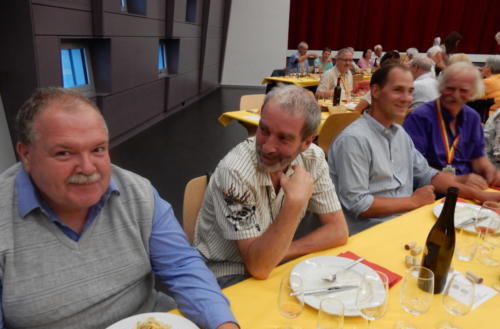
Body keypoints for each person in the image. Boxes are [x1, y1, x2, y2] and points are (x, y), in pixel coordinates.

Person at [0, 88, 256, 329]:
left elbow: (182, 266)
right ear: (26, 154)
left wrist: (225, 326)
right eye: (64, 153)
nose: (88, 168)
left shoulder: (137, 193)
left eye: (98, 149)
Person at [194, 85, 348, 287]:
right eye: (263, 130)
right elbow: (257, 267)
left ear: (307, 142)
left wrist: (281, 251)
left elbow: (338, 231)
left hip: (277, 263)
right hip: (228, 273)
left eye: (283, 138)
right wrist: (294, 203)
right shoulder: (235, 171)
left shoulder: (313, 158)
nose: (267, 147)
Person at [328, 64, 500, 234]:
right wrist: (414, 201)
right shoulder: (354, 140)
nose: (407, 98)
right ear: (375, 91)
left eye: (410, 91)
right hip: (371, 233)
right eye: (398, 90)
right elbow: (359, 204)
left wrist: (480, 195)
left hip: (406, 220)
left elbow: (428, 175)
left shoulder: (399, 134)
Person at [404, 62, 500, 188]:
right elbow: (414, 167)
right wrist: (458, 180)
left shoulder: (472, 118)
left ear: (472, 93)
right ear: (440, 87)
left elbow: (477, 157)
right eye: (450, 88)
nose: (455, 95)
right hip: (430, 188)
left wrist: (490, 172)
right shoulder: (420, 117)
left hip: (466, 188)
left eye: (463, 90)